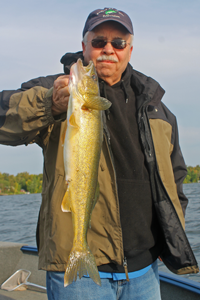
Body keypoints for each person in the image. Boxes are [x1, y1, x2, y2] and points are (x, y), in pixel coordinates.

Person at [0, 7, 199, 300]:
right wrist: (49, 104)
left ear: (129, 49)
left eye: (118, 43)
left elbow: (175, 178)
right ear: (84, 46)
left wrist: (168, 239)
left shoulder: (155, 107)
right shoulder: (58, 91)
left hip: (145, 271)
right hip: (79, 277)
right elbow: (5, 119)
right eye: (98, 42)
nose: (108, 50)